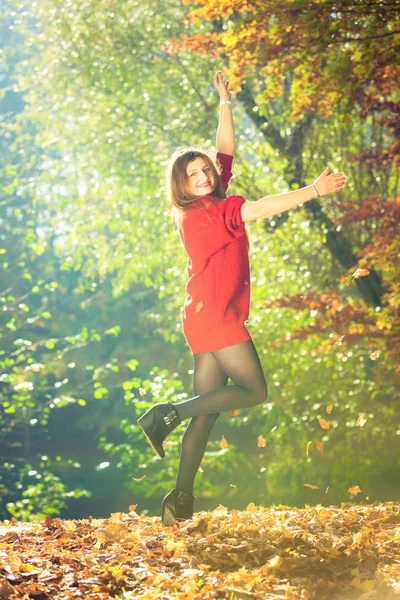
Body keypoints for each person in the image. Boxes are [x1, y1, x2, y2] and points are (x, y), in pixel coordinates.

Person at [137, 71, 347, 526]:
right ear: (180, 184)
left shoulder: (209, 201)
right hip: (215, 317)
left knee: (208, 412)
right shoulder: (213, 214)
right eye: (192, 174)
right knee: (253, 391)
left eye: (205, 169)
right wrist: (313, 190)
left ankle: (178, 502)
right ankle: (164, 415)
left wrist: (226, 103)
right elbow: (263, 206)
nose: (204, 174)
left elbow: (225, 150)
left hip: (201, 315)